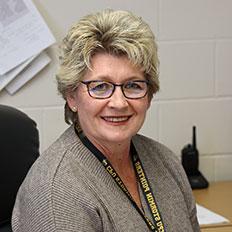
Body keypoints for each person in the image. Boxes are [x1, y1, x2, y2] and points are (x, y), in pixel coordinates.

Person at [12, 9, 200, 232]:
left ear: (149, 96)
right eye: (100, 87)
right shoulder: (55, 193)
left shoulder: (166, 163)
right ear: (72, 96)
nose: (119, 103)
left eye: (133, 85)